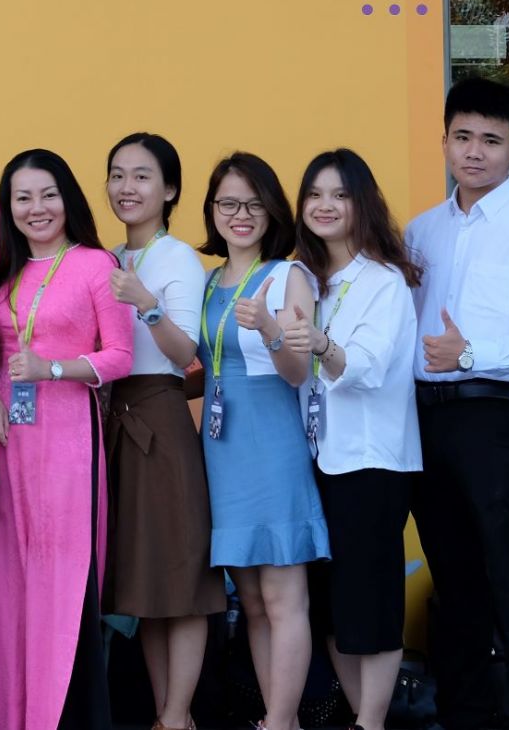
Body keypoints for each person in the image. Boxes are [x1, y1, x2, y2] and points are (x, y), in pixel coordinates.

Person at [405, 77, 509, 730]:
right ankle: (466, 713)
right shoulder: (420, 231)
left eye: (492, 140)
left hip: (498, 418)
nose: (475, 152)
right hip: (426, 418)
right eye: (463, 136)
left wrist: (471, 353)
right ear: (445, 141)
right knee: (454, 579)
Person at [0, 149, 135, 730]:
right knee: (3, 582)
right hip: (2, 441)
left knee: (60, 577)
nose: (36, 208)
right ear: (8, 206)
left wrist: (55, 370)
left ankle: (57, 714)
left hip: (67, 441)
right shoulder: (0, 272)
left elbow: (121, 355)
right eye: (23, 197)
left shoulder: (95, 264)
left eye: (48, 195)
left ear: (68, 200)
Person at [286, 149, 421, 730]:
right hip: (317, 459)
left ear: (361, 203)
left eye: (339, 195)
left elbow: (366, 367)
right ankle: (361, 718)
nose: (325, 205)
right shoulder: (306, 280)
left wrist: (319, 344)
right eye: (315, 194)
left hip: (371, 464)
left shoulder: (384, 281)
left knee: (372, 603)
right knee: (329, 606)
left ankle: (371, 723)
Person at [99, 133, 227, 730]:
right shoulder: (106, 258)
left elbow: (184, 353)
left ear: (170, 189)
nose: (127, 188)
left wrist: (146, 303)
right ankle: (164, 714)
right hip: (114, 420)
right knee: (142, 581)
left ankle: (178, 715)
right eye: (117, 175)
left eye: (142, 176)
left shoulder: (175, 257)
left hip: (159, 419)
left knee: (180, 576)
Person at [195, 152, 326, 730]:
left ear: (272, 211)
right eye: (228, 203)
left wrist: (272, 329)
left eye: (253, 204)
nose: (240, 215)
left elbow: (298, 373)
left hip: (271, 447)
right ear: (212, 210)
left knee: (283, 599)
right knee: (250, 603)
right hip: (222, 451)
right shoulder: (207, 282)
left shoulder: (289, 275)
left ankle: (278, 721)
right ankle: (281, 719)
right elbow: (207, 367)